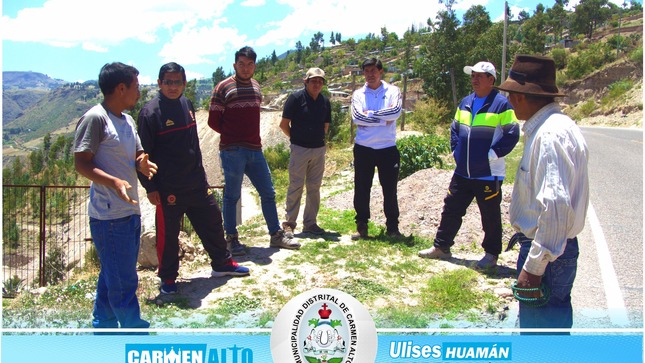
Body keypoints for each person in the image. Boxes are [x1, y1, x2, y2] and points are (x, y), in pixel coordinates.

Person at [137, 62, 249, 295]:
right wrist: (150, 187)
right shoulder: (150, 113)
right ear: (159, 83)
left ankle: (222, 264)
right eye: (168, 82)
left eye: (178, 82)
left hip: (196, 182)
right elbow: (142, 156)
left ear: (184, 83)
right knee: (167, 237)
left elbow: (193, 145)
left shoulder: (186, 104)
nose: (173, 86)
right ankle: (168, 279)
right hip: (168, 189)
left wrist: (202, 175)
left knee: (212, 222)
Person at [496, 54, 589, 331]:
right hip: (554, 251)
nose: (510, 101)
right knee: (553, 331)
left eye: (512, 94)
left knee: (540, 335)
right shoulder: (559, 127)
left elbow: (556, 208)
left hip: (546, 253)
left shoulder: (549, 135)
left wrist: (534, 268)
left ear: (521, 96)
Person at [74, 62, 156, 329]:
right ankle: (134, 331)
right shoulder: (95, 118)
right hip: (108, 217)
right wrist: (114, 182)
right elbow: (81, 163)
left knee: (113, 275)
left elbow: (136, 154)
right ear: (121, 88)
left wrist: (141, 162)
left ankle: (103, 326)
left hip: (129, 213)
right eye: (136, 87)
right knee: (123, 281)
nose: (139, 92)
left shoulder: (127, 120)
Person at [418, 61, 519, 269]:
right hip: (462, 171)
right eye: (472, 75)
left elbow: (512, 133)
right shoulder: (465, 102)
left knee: (490, 215)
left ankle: (491, 255)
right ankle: (441, 247)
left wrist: (493, 154)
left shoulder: (501, 105)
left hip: (488, 173)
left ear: (491, 80)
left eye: (479, 76)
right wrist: (456, 150)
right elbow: (454, 129)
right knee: (451, 208)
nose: (474, 79)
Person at [208, 46, 300, 253]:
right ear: (234, 65)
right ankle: (231, 239)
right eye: (242, 64)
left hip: (255, 149)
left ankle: (276, 235)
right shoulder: (223, 87)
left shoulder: (256, 86)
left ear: (254, 66)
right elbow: (213, 121)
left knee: (268, 192)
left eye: (250, 64)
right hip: (232, 150)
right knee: (232, 196)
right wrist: (233, 135)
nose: (246, 68)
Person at [350, 58, 403, 239]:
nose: (370, 74)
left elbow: (395, 112)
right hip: (363, 148)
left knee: (389, 189)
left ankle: (392, 228)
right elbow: (357, 117)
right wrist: (382, 119)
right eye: (366, 71)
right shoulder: (358, 94)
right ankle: (361, 225)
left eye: (373, 70)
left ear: (380, 71)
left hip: (387, 148)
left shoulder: (393, 91)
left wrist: (369, 115)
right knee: (362, 187)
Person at [279, 67, 331, 237]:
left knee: (314, 187)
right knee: (296, 186)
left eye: (320, 81)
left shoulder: (325, 102)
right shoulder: (295, 99)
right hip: (299, 149)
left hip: (318, 150)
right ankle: (289, 223)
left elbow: (325, 126)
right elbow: (284, 125)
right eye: (313, 81)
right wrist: (296, 140)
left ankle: (310, 223)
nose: (317, 84)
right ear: (306, 82)